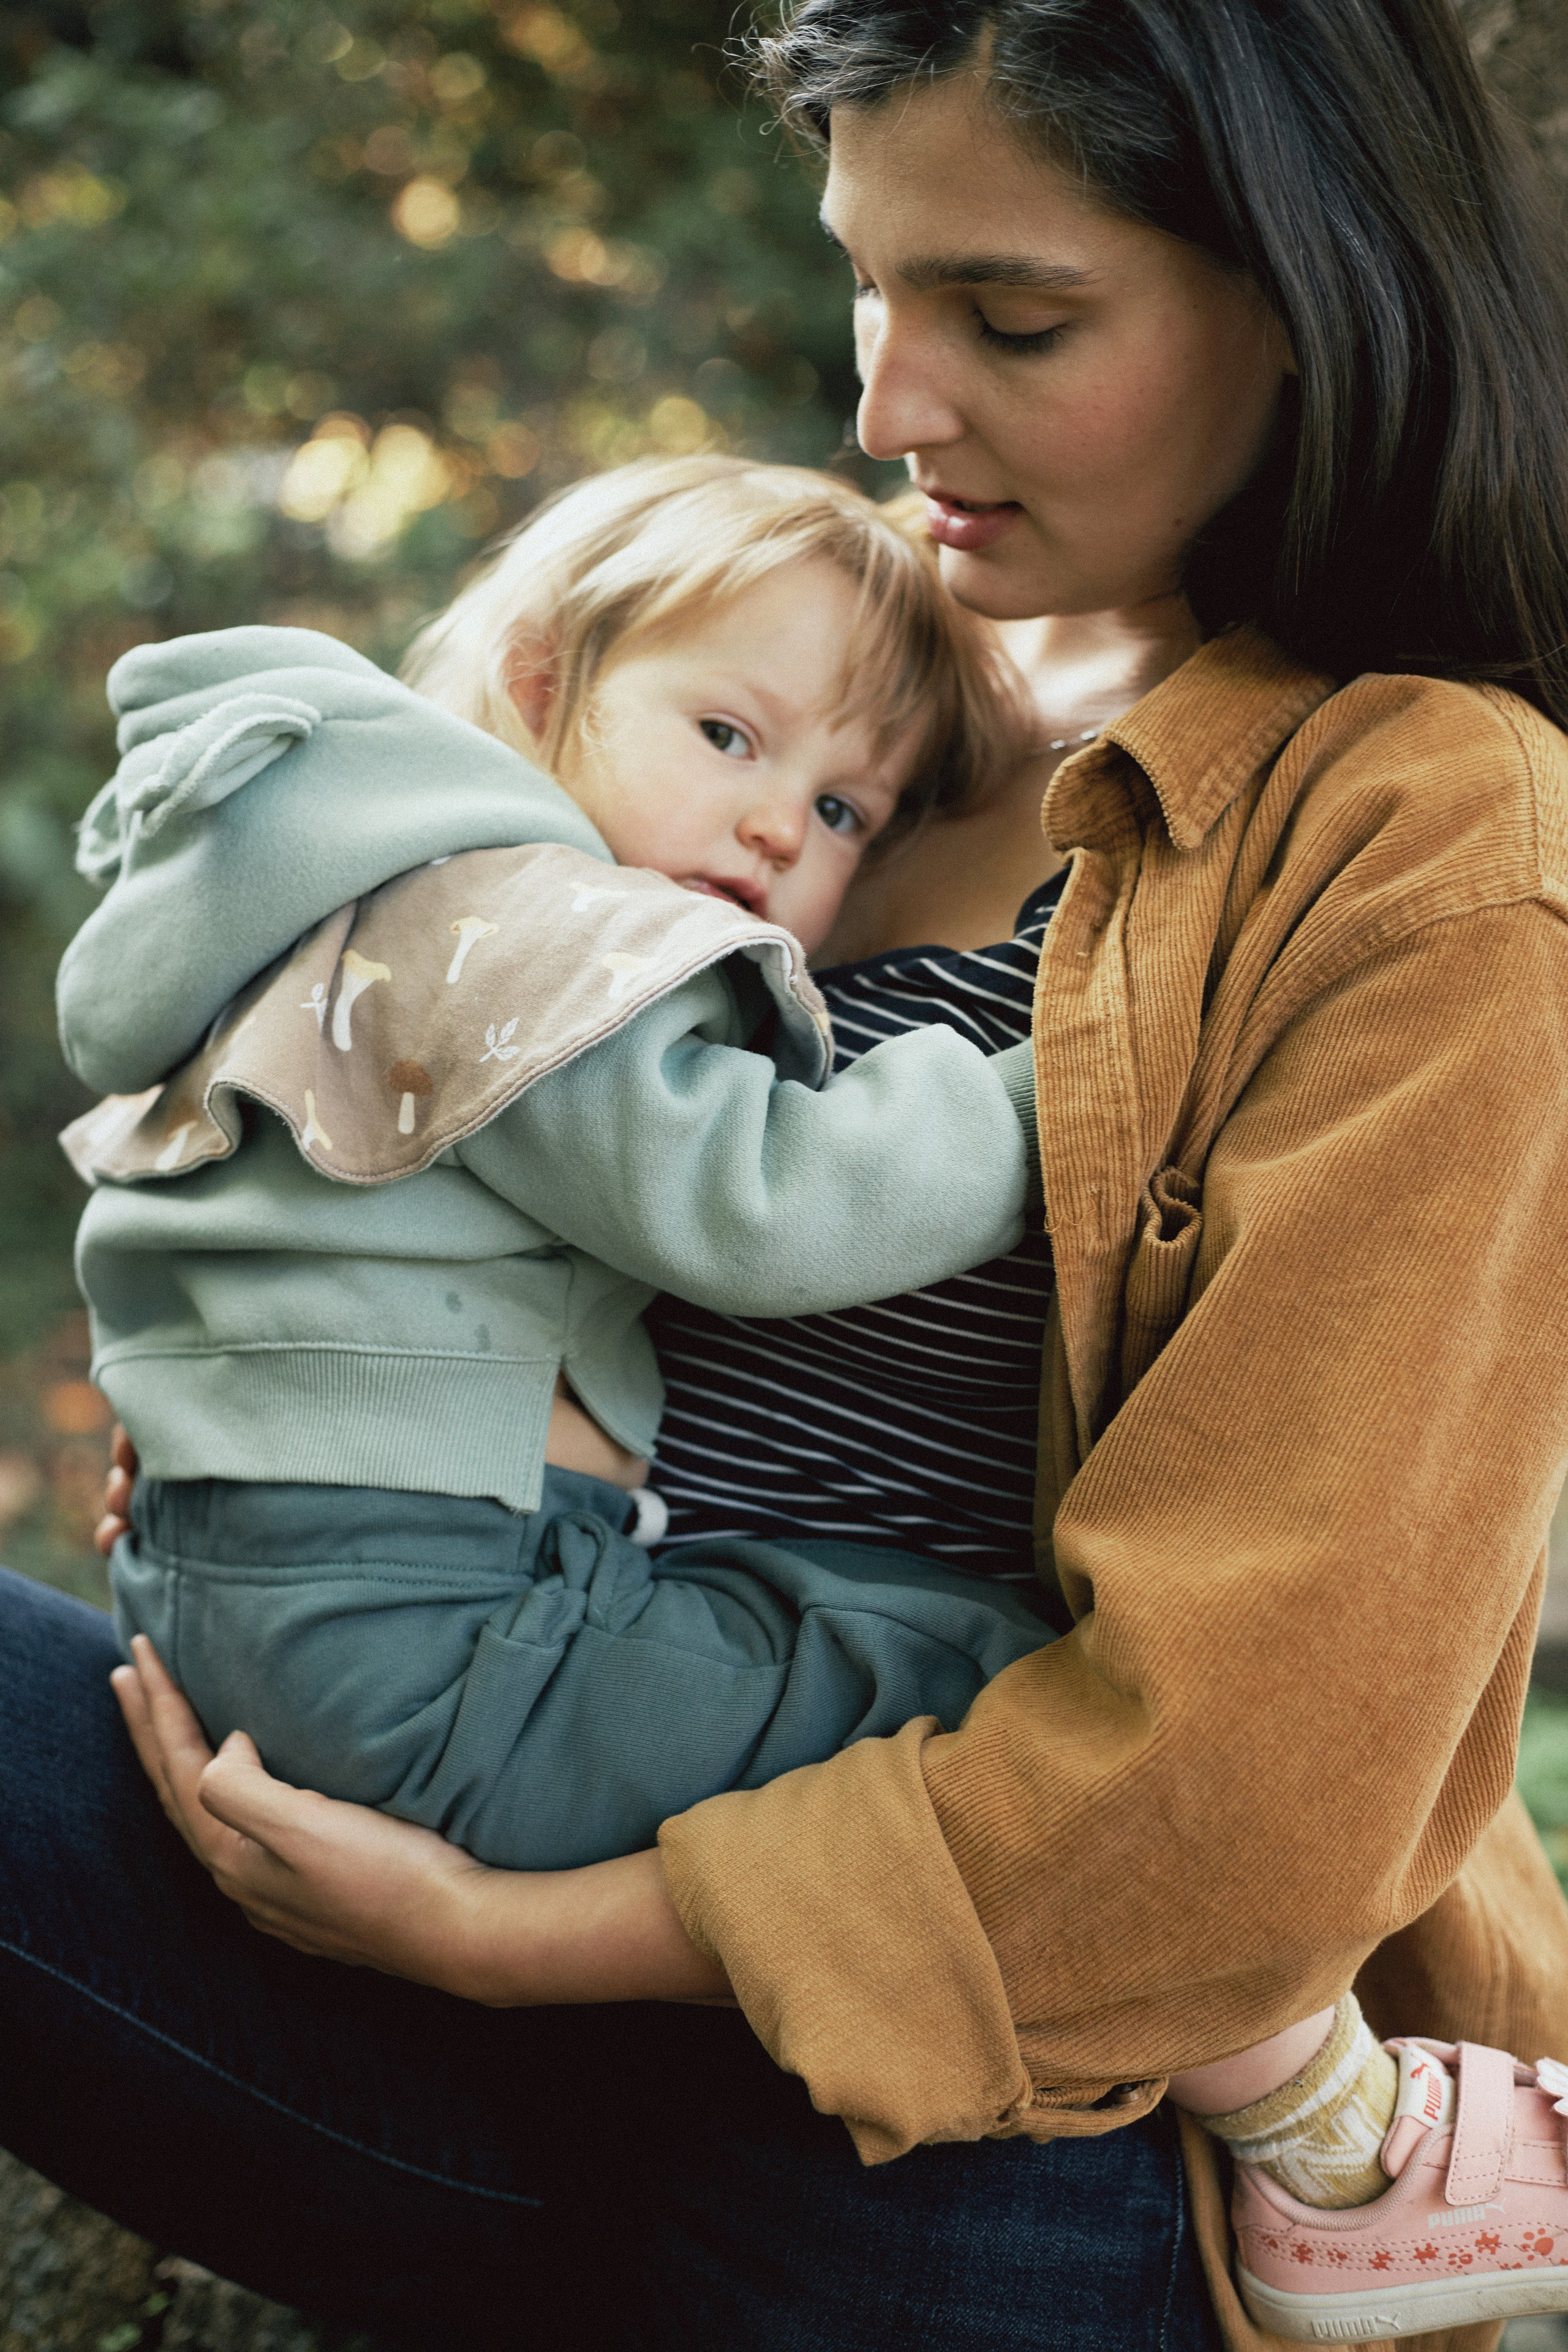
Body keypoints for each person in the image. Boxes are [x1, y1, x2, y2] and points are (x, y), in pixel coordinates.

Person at [9, 0, 1568, 2343]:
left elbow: (1235, 1789)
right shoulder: (860, 698)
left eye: (1010, 318)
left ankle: (1363, 2182)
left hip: (976, 2110)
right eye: (869, 282)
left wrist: (508, 1939)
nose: (889, 406)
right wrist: (305, 1412)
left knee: (932, 2069)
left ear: (1304, 297)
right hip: (495, 1771)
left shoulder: (1436, 844)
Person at [60, 453, 1055, 1873]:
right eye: (728, 735)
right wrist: (1057, 1088)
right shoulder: (529, 939)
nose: (780, 823)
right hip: (430, 1636)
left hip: (229, 1580)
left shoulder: (359, 887)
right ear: (538, 686)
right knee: (979, 1684)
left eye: (843, 809)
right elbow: (762, 1200)